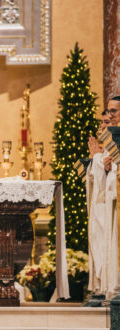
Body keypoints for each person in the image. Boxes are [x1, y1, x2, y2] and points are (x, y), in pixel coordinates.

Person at [85, 96, 120, 303]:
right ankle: (108, 287)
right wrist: (98, 161)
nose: (110, 117)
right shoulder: (112, 140)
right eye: (108, 113)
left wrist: (101, 161)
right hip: (106, 202)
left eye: (113, 112)